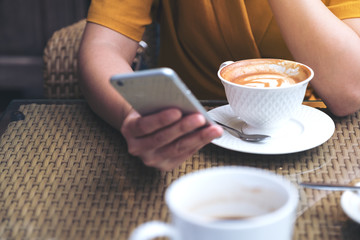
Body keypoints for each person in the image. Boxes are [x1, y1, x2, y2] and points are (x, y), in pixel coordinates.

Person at [78, 0, 360, 171]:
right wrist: (133, 114)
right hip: (188, 142)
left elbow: (350, 90)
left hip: (314, 140)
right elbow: (103, 46)